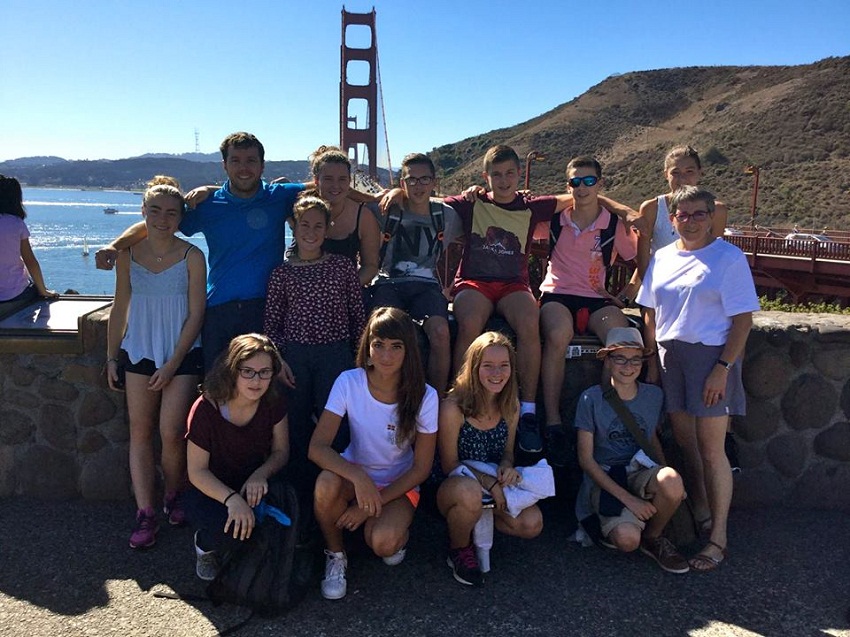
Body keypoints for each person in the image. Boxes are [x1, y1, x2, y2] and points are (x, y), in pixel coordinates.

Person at [441, 145, 642, 455]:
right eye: (497, 174)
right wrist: (400, 194)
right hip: (489, 284)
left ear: (519, 175)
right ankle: (459, 397)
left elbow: (638, 251)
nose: (504, 180)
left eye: (510, 173)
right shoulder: (475, 203)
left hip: (522, 287)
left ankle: (537, 411)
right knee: (468, 322)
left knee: (532, 322)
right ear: (486, 177)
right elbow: (425, 202)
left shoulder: (534, 206)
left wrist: (628, 289)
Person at [96, 132, 306, 371]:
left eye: (251, 160)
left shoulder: (278, 196)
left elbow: (328, 186)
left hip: (267, 308)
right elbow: (159, 224)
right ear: (224, 165)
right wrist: (115, 246)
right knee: (217, 389)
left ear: (262, 165)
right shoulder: (209, 204)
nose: (244, 168)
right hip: (218, 311)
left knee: (265, 390)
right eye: (235, 161)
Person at [636, 186, 759, 571]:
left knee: (711, 450)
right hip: (672, 357)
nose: (690, 221)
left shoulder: (728, 257)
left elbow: (743, 321)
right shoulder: (663, 257)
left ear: (711, 216)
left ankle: (718, 537)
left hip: (711, 360)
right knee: (687, 445)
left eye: (699, 214)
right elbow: (650, 312)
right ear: (671, 220)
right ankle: (702, 512)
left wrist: (722, 369)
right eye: (682, 215)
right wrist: (652, 358)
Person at [308, 307, 438, 600]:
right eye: (378, 344)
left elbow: (421, 469)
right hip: (356, 475)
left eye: (396, 346)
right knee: (326, 483)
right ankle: (336, 554)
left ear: (409, 351)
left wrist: (369, 503)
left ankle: (387, 527)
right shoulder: (349, 381)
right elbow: (317, 447)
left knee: (383, 545)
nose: (386, 355)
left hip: (399, 483)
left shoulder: (425, 396)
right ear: (367, 346)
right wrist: (357, 476)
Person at [106, 176, 206, 549]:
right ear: (142, 212)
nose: (163, 219)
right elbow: (120, 308)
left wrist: (172, 363)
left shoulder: (192, 256)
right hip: (139, 351)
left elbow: (197, 314)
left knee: (171, 432)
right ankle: (145, 512)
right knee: (140, 432)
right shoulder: (128, 256)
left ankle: (174, 495)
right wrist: (112, 356)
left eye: (171, 212)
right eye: (155, 211)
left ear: (180, 217)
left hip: (181, 355)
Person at [538, 157, 638, 466]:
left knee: (621, 339)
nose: (582, 188)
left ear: (600, 184)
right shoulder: (555, 219)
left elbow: (644, 253)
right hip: (557, 293)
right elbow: (516, 216)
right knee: (558, 335)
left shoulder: (613, 224)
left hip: (597, 298)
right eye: (575, 182)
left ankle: (608, 415)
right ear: (567, 187)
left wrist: (632, 288)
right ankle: (553, 420)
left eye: (589, 181)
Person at [263, 195, 365, 476]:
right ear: (294, 228)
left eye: (318, 226)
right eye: (304, 225)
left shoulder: (342, 267)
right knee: (295, 423)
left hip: (336, 355)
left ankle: (338, 481)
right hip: (294, 358)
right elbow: (272, 325)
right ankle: (299, 489)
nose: (310, 232)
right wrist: (278, 360)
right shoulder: (281, 274)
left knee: (338, 423)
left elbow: (358, 315)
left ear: (327, 229)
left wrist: (358, 358)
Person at [574, 327, 689, 574]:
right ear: (607, 360)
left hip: (641, 469)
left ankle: (654, 537)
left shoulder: (654, 395)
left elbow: (651, 439)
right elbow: (586, 460)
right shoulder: (590, 399)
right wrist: (629, 500)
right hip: (606, 475)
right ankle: (630, 523)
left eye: (635, 359)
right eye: (620, 359)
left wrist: (671, 482)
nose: (628, 366)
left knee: (671, 480)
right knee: (627, 541)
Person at [437, 332, 544, 587]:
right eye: (488, 365)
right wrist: (490, 483)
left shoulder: (511, 405)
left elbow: (507, 452)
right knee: (469, 495)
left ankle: (478, 524)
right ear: (474, 367)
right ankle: (459, 548)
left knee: (533, 524)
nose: (497, 373)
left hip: (493, 485)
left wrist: (507, 467)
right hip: (457, 486)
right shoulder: (453, 407)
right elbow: (449, 464)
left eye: (503, 366)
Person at [185, 333, 289, 580]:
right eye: (248, 371)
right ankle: (204, 545)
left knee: (280, 527)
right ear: (232, 369)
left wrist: (260, 474)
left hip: (253, 482)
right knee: (230, 531)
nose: (257, 380)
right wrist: (232, 499)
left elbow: (282, 451)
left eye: (265, 372)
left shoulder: (273, 401)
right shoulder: (206, 408)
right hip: (212, 488)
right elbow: (196, 471)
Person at [369, 153, 457, 392]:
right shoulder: (386, 209)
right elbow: (344, 197)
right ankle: (379, 395)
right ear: (402, 183)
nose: (418, 185)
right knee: (380, 332)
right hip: (389, 283)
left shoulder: (446, 214)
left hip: (426, 287)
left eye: (424, 179)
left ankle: (435, 401)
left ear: (434, 182)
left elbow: (478, 209)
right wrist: (388, 193)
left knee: (440, 332)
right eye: (411, 180)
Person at [621, 145, 728, 303]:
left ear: (700, 172)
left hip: (699, 292)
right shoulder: (653, 208)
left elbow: (715, 257)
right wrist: (651, 295)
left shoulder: (717, 210)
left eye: (689, 172)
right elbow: (643, 262)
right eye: (675, 173)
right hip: (660, 290)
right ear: (666, 174)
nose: (682, 179)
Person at [304, 145, 382, 287]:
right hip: (305, 289)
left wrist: (344, 288)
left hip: (345, 290)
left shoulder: (363, 217)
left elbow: (370, 266)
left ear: (349, 182)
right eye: (328, 179)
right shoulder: (301, 208)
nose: (336, 185)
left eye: (342, 179)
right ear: (316, 181)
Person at [0, 174, 57, 308]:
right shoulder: (16, 223)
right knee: (32, 287)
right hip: (13, 293)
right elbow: (29, 260)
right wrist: (43, 291)